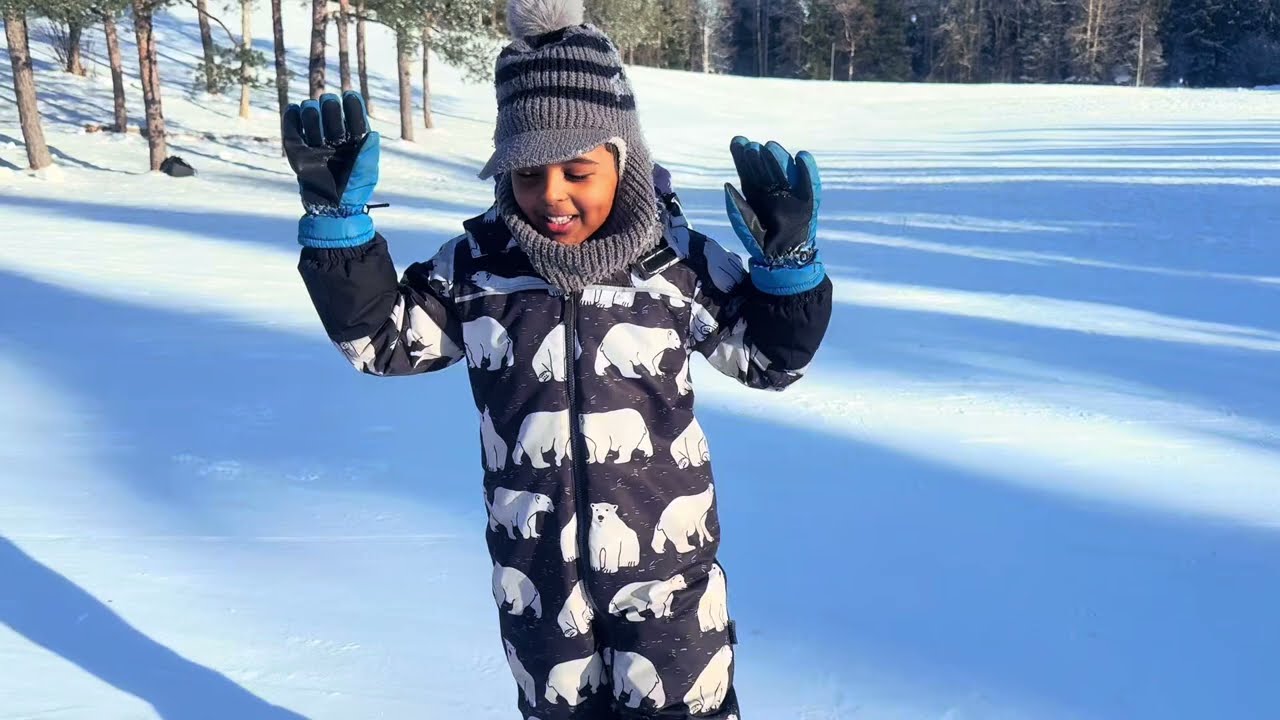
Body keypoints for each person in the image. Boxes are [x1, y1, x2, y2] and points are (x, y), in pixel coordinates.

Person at [281, 0, 832, 716]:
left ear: (623, 161)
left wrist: (788, 270)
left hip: (668, 583)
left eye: (578, 170)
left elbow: (768, 361)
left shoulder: (676, 266)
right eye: (527, 175)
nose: (553, 196)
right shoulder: (476, 270)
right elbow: (381, 342)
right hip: (536, 579)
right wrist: (338, 234)